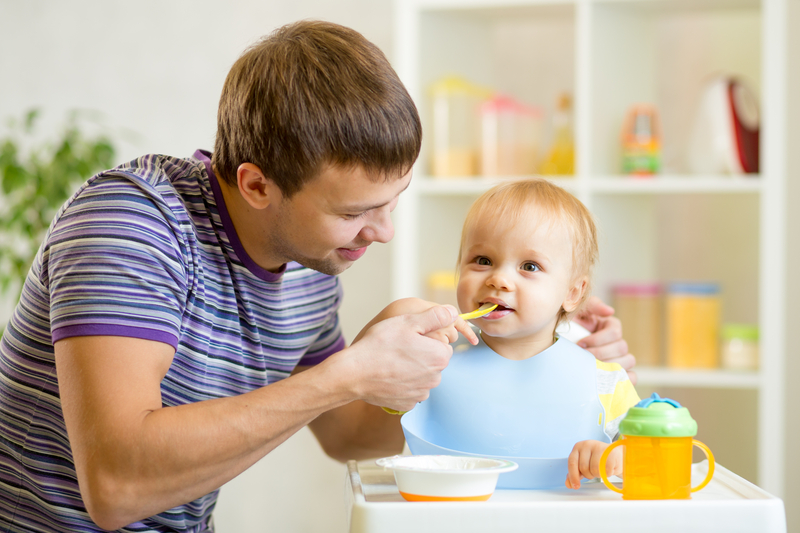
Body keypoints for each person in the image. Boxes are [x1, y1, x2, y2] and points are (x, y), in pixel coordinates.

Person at [0, 21, 633, 533]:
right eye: (355, 212)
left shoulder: (310, 266)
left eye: (394, 200)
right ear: (257, 185)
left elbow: (348, 435)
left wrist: (509, 357)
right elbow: (115, 487)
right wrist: (351, 372)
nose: (381, 232)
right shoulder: (132, 225)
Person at [396, 177, 640, 490]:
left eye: (529, 266)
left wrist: (613, 456)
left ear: (572, 292)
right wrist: (403, 331)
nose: (499, 279)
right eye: (483, 261)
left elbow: (651, 457)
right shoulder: (429, 363)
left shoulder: (605, 381)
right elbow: (379, 392)